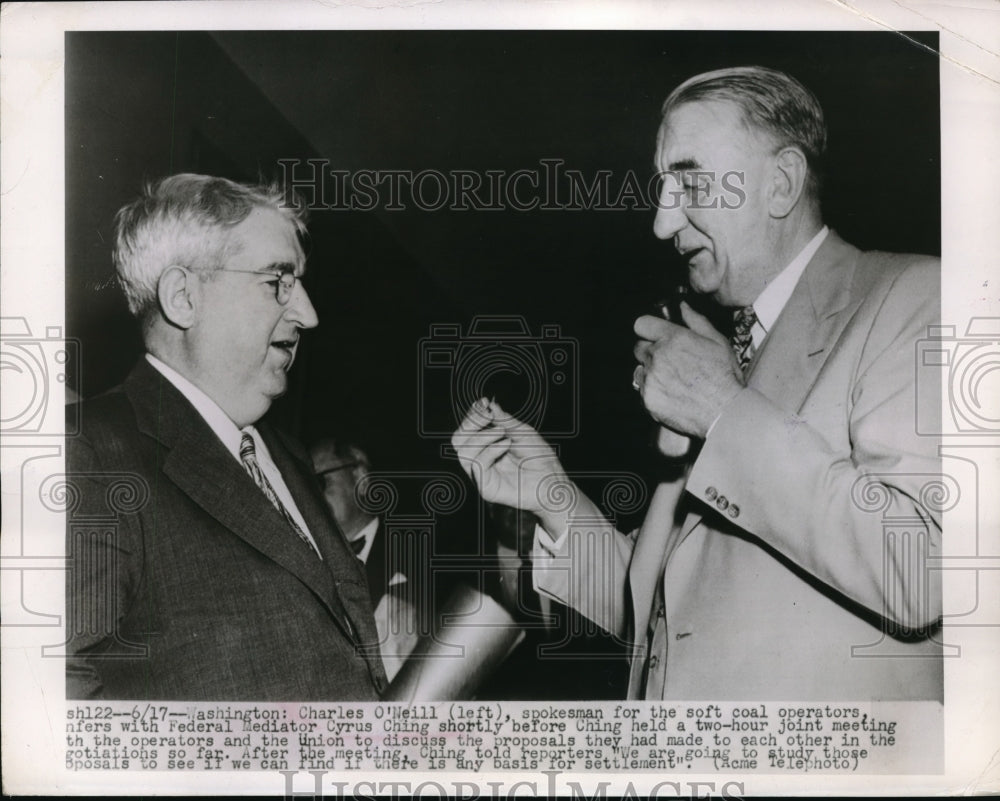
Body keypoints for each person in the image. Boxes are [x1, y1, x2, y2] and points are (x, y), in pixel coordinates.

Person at [453, 66, 942, 700]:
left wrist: (721, 408)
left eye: (689, 180)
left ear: (782, 183)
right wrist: (554, 498)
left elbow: (921, 567)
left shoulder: (916, 298)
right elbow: (663, 612)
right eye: (662, 188)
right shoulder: (727, 351)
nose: (662, 223)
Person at [65, 174, 387, 700]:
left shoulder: (286, 457)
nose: (308, 313)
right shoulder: (88, 453)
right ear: (183, 297)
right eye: (277, 280)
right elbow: (55, 706)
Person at [308, 437, 420, 681]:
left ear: (360, 476)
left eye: (320, 482)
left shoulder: (420, 555)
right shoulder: (306, 566)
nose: (310, 499)